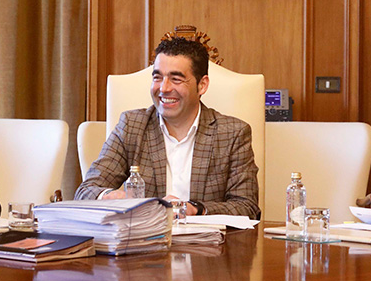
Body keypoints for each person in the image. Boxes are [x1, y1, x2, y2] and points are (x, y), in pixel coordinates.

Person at [75, 36, 260, 218]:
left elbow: (247, 207)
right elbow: (86, 191)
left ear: (202, 85)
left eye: (176, 79)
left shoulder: (233, 133)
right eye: (157, 77)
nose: (163, 88)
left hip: (207, 238)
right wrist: (109, 196)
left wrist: (196, 209)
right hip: (147, 237)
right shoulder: (132, 126)